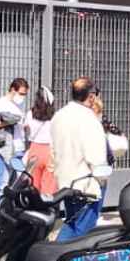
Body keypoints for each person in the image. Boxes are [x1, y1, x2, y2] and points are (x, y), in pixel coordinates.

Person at [51, 76, 110, 239]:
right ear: (91, 96)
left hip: (65, 180)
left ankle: (56, 257)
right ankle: (56, 258)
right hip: (86, 183)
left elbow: (53, 148)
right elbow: (96, 156)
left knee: (71, 221)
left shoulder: (59, 116)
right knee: (82, 230)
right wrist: (103, 179)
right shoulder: (89, 119)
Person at [0, 78, 31, 191]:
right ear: (13, 90)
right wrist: (7, 122)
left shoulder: (18, 105)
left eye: (25, 94)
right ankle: (0, 205)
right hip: (7, 147)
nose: (22, 97)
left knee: (18, 181)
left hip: (19, 146)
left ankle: (10, 206)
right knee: (4, 181)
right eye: (21, 94)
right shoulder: (1, 103)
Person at [23, 89, 57, 196]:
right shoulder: (54, 115)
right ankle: (47, 208)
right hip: (50, 151)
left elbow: (26, 130)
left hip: (34, 150)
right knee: (49, 185)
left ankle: (34, 209)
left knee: (33, 184)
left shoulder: (30, 114)